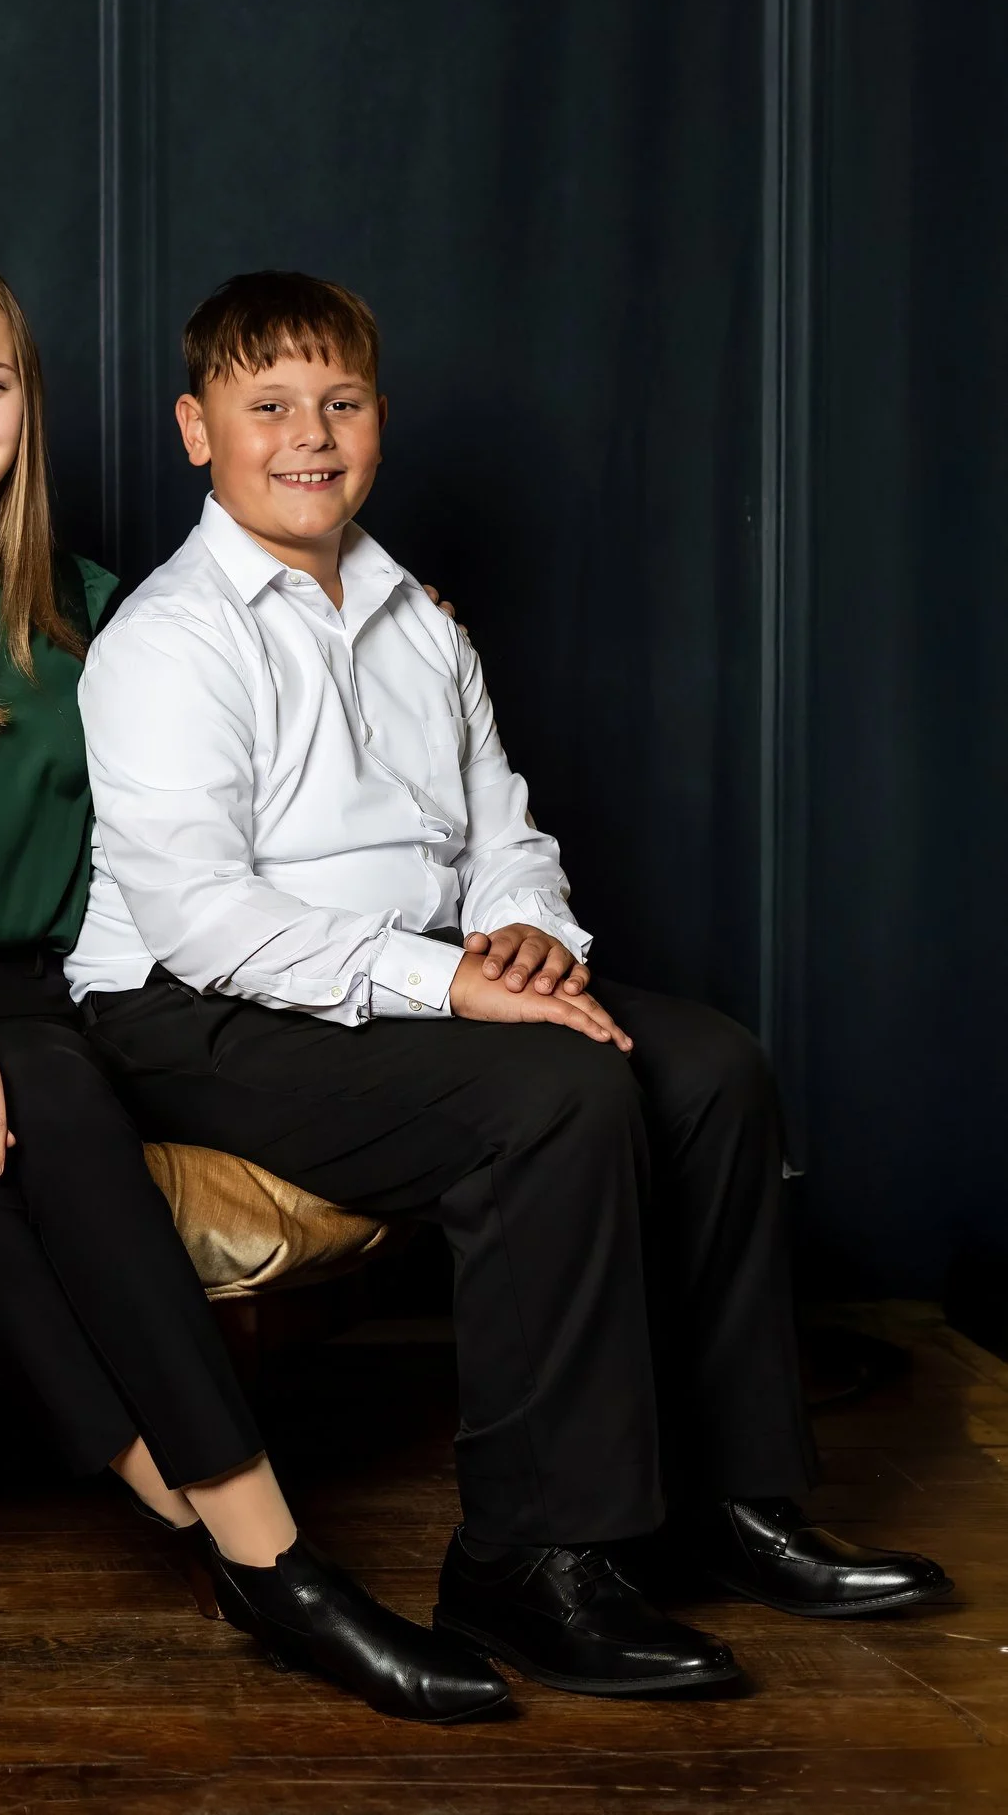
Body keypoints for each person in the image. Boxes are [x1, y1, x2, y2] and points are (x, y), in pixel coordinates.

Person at [70, 269, 951, 1698]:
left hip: (410, 975)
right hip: (191, 1007)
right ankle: (529, 1559)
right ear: (195, 430)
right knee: (551, 1097)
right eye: (268, 405)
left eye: (340, 402)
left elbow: (502, 829)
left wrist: (530, 934)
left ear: (377, 418)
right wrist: (452, 984)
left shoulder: (418, 613)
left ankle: (731, 1505)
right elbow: (208, 918)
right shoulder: (169, 641)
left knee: (711, 1067)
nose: (310, 433)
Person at [0, 246, 506, 1724]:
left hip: (36, 1000)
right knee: (3, 1132)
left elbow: (222, 810)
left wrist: (396, 638)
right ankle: (262, 1549)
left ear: (32, 402)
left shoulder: (98, 612)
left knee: (63, 1093)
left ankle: (222, 1541)